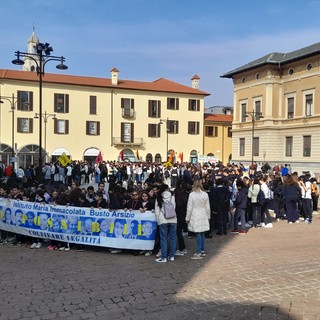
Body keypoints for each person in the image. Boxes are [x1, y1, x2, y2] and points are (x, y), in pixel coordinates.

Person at [185, 179, 210, 260]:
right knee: (202, 233)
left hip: (195, 214)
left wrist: (187, 218)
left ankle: (199, 252)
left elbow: (189, 207)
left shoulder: (192, 195)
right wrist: (208, 216)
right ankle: (202, 250)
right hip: (203, 213)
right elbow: (207, 206)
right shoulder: (205, 194)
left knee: (198, 234)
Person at [154, 183, 177, 263]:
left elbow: (157, 211)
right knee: (173, 238)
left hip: (163, 219)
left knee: (163, 239)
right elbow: (174, 207)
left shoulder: (158, 198)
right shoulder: (172, 197)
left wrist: (158, 220)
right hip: (173, 219)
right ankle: (171, 256)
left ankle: (164, 257)